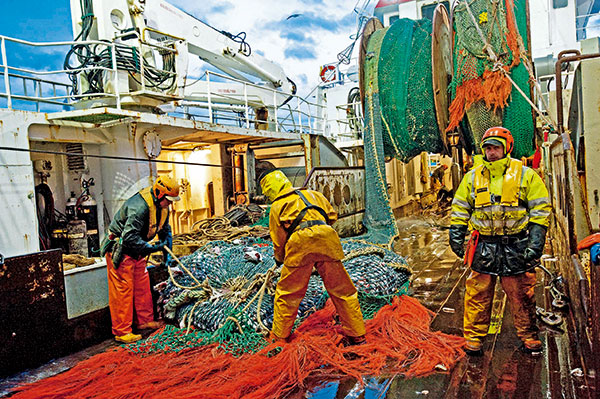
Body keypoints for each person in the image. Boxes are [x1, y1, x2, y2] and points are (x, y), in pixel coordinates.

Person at [449, 127, 552, 356]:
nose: (491, 152)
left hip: (516, 244)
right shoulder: (472, 177)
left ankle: (528, 335)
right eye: (488, 148)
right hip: (483, 245)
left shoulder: (527, 175)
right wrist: (456, 233)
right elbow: (460, 208)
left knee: (521, 293)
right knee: (477, 293)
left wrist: (535, 243)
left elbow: (540, 211)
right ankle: (474, 338)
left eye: (496, 147)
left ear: (507, 148)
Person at [260, 170, 366, 344]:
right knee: (343, 290)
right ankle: (357, 334)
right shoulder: (314, 195)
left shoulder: (277, 206)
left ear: (270, 191)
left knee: (288, 293)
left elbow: (278, 240)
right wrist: (319, 232)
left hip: (300, 244)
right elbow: (332, 216)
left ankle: (279, 337)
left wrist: (280, 259)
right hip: (327, 239)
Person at [100, 175, 181, 343]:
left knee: (142, 287)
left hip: (138, 253)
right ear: (159, 194)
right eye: (169, 199)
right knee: (123, 290)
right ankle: (122, 331)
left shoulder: (162, 207)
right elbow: (129, 237)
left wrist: (167, 254)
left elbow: (165, 230)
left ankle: (144, 321)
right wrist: (152, 248)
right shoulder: (140, 208)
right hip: (122, 252)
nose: (170, 203)